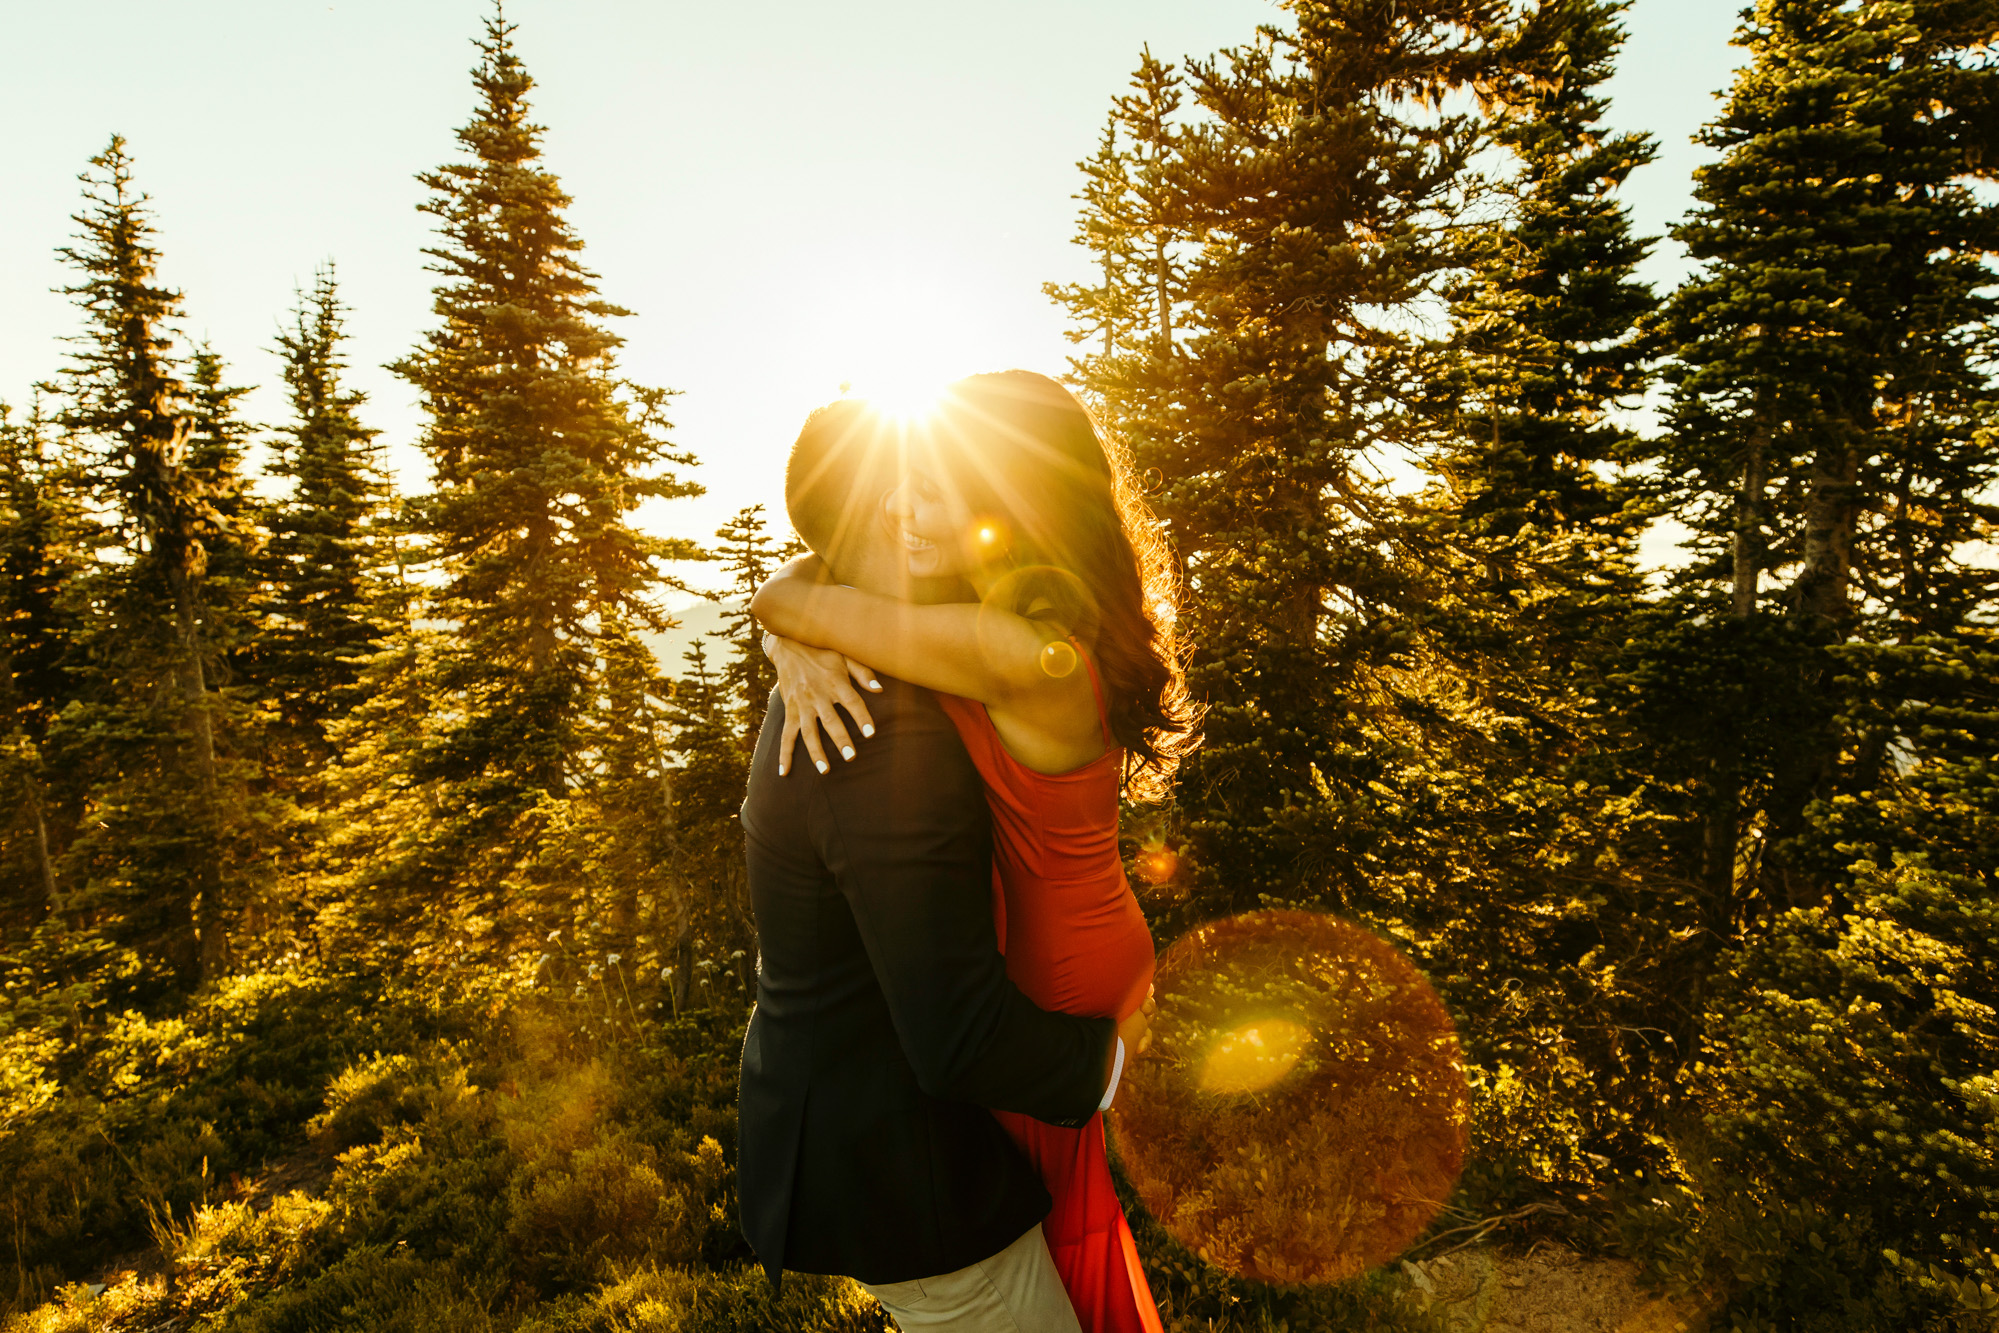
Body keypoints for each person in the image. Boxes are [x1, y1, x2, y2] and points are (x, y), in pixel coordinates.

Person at [755, 371, 1195, 1333]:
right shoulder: (1023, 620)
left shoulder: (1021, 651)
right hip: (1078, 931)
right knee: (1066, 1223)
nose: (907, 509)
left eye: (941, 490)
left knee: (1061, 1228)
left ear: (1013, 507)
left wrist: (791, 633)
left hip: (1060, 967)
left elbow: (809, 599)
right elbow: (818, 588)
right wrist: (790, 636)